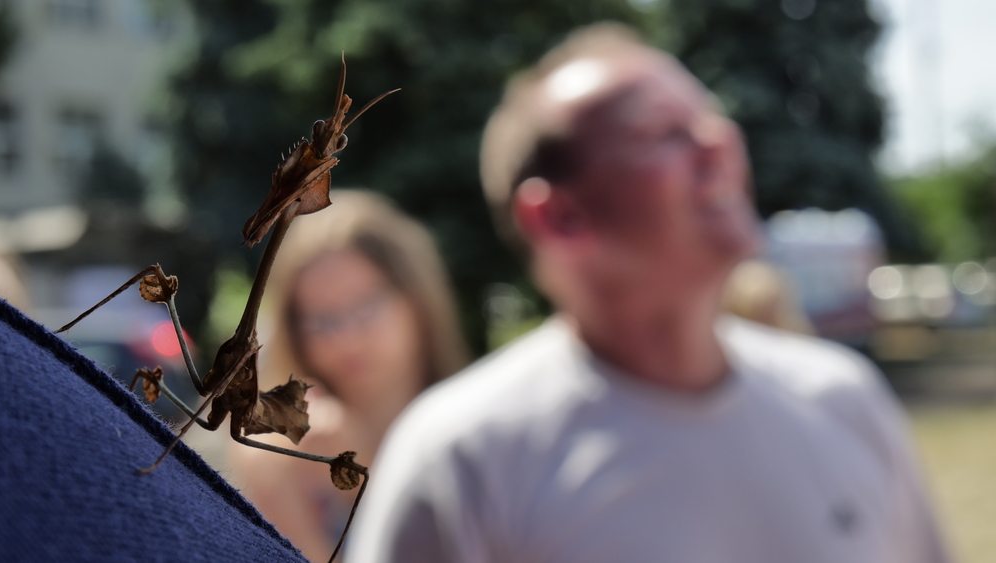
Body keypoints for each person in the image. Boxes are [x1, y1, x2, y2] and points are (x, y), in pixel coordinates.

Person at [345, 24, 950, 563]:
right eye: (663, 132)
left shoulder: (844, 401)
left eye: (709, 119)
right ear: (559, 217)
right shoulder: (463, 460)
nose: (719, 143)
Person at [227, 190, 469, 563]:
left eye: (366, 307)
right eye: (322, 320)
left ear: (417, 300)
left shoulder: (484, 428)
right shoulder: (278, 462)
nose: (347, 338)